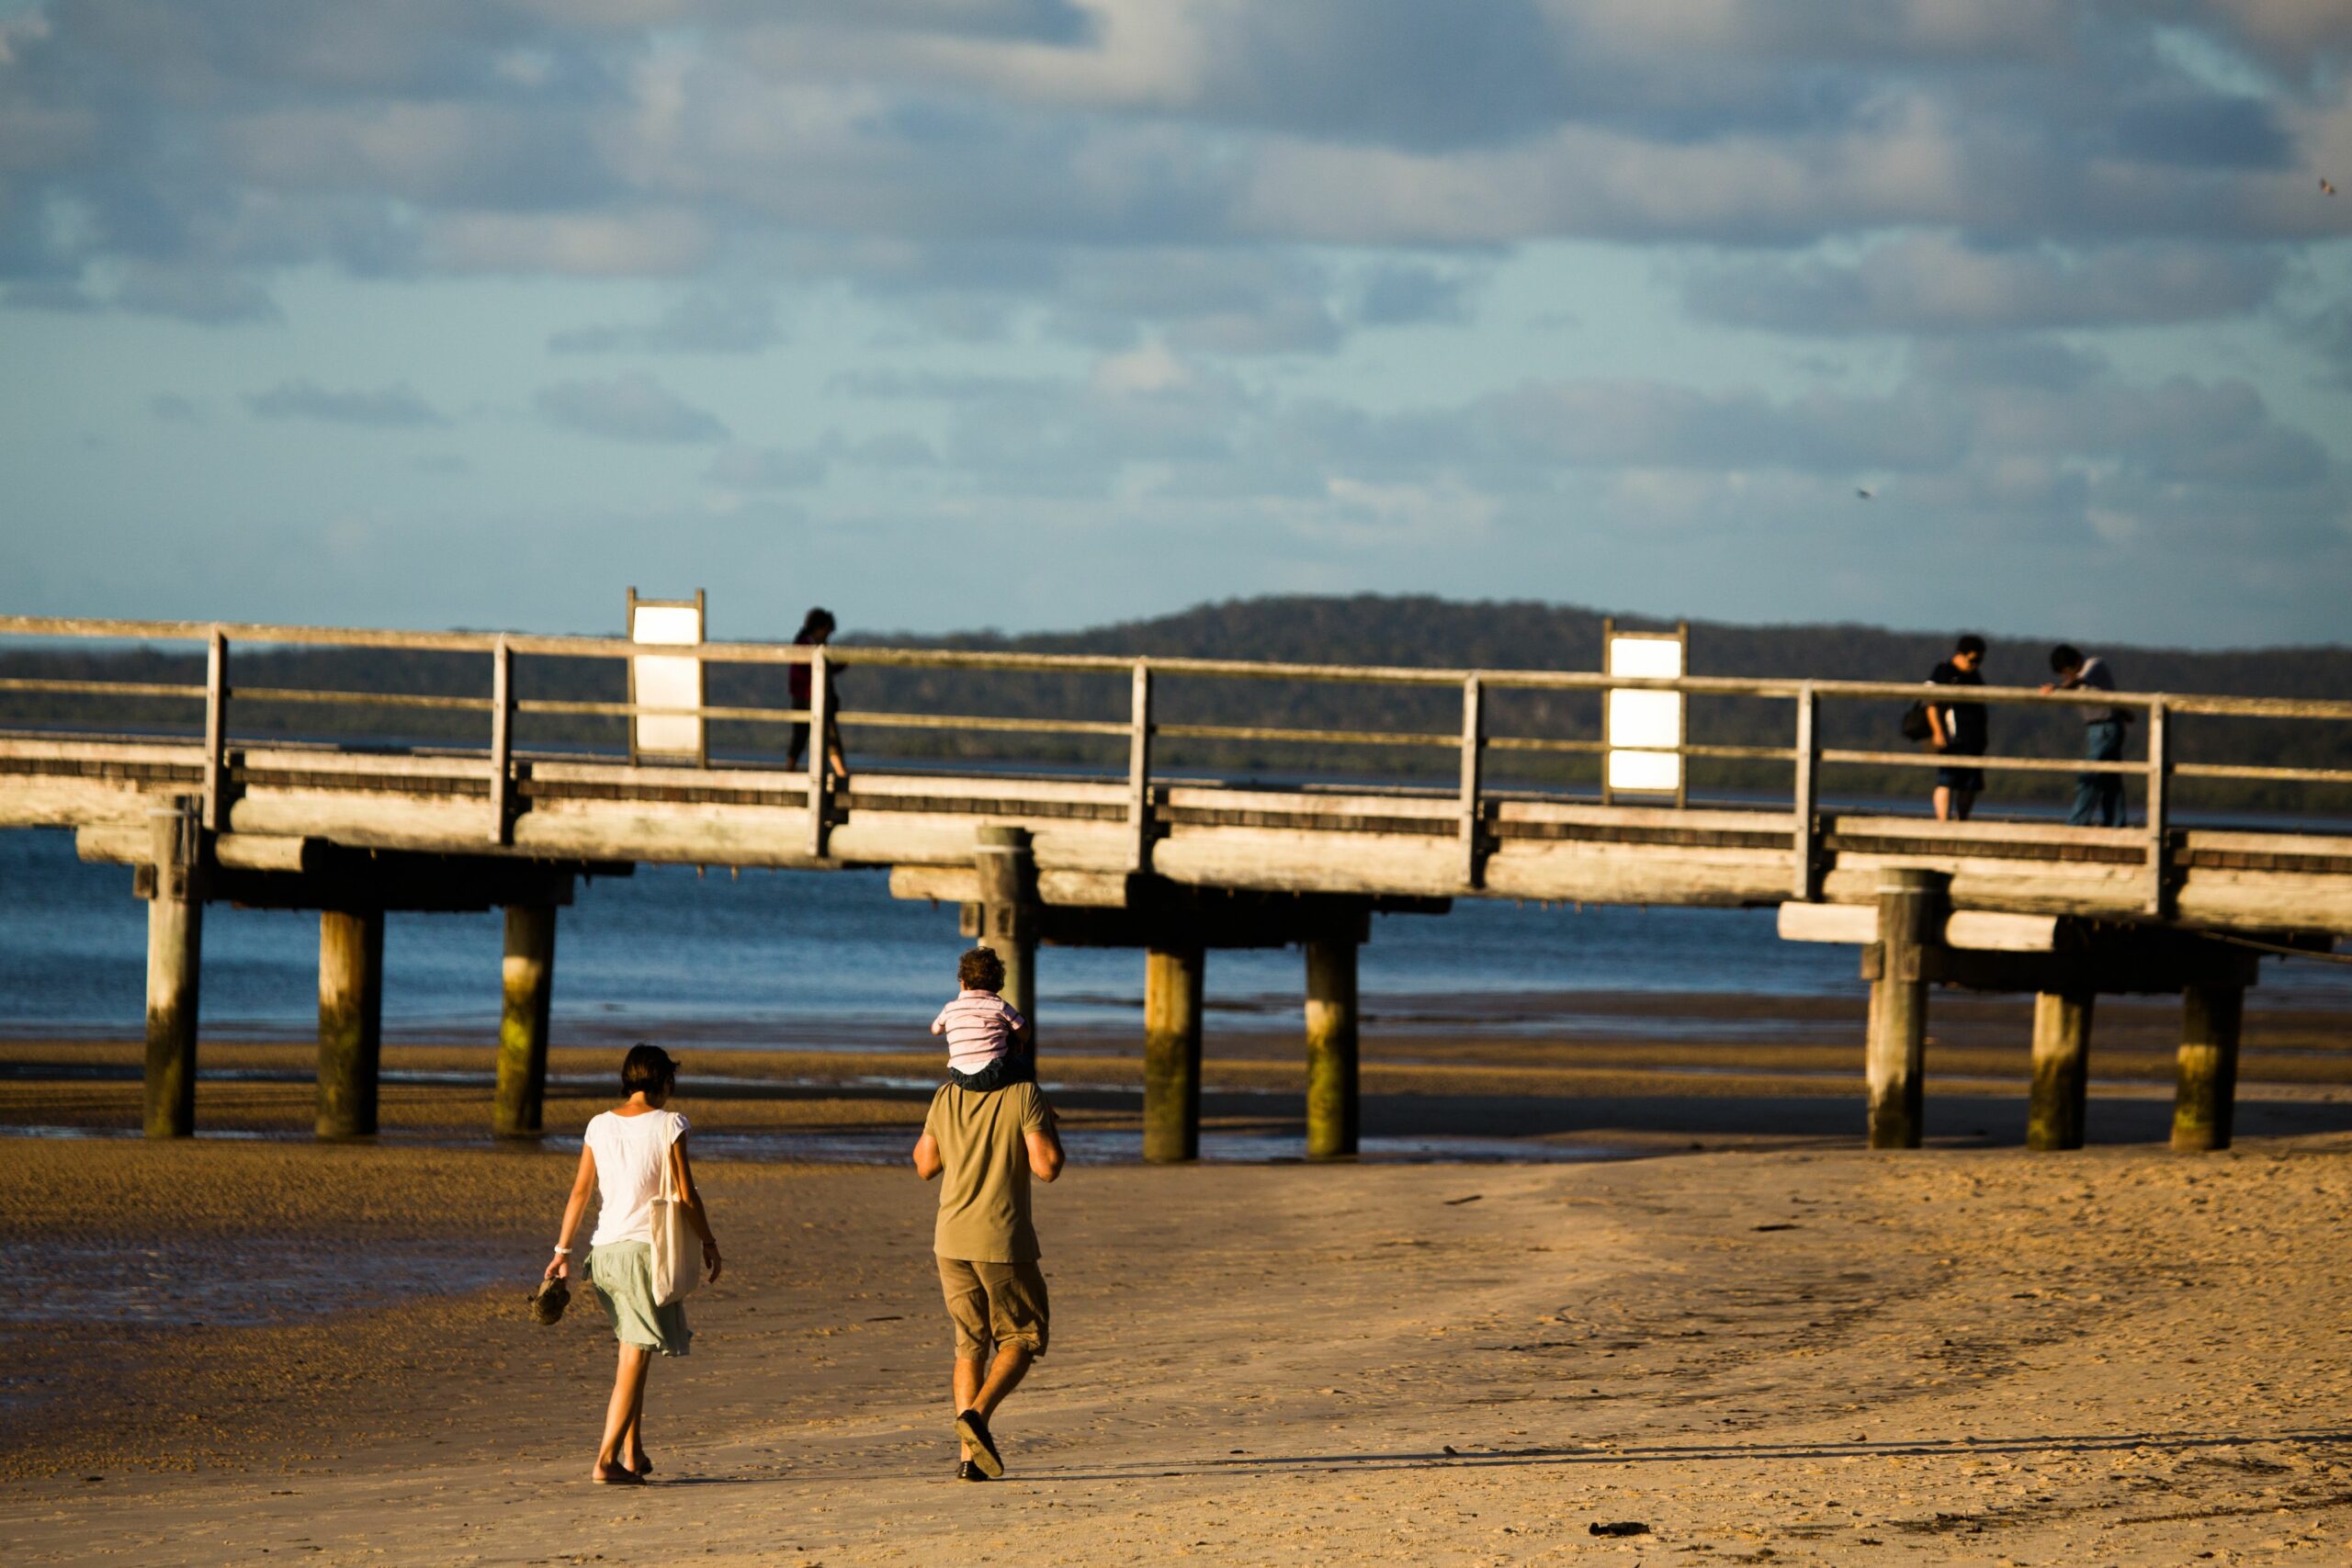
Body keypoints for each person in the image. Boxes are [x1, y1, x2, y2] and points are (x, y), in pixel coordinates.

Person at [546, 1043, 721, 1485]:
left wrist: (562, 1253)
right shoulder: (670, 1124)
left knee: (634, 1350)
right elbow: (685, 1193)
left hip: (603, 1256)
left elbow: (580, 1193)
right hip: (645, 1256)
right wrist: (709, 1241)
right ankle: (605, 1462)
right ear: (664, 1082)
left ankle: (633, 1452)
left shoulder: (598, 1125)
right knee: (633, 1359)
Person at [910, 1040, 1065, 1482]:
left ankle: (969, 1459)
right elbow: (1047, 1167)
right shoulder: (1024, 1094)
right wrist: (1050, 1127)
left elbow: (924, 1165)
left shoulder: (945, 1094)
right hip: (1002, 1238)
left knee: (969, 1345)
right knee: (1023, 1337)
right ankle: (977, 1415)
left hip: (950, 1239)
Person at [2042, 644, 2130, 828]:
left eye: (2068, 671)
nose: (2067, 676)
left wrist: (2058, 688)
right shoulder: (2074, 679)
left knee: (2089, 776)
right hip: (2096, 730)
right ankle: (2116, 823)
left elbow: (2080, 681)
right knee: (2110, 780)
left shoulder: (2095, 664)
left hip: (2106, 727)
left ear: (2076, 662)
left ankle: (2076, 824)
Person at [933, 946, 1033, 1092]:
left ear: (962, 983)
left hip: (958, 1075)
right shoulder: (1000, 1006)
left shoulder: (950, 1008)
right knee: (1026, 1066)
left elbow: (935, 1030)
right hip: (994, 1072)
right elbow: (1024, 1034)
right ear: (998, 986)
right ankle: (1034, 1101)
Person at [1924, 634, 1988, 821]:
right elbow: (1930, 702)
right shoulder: (1944, 671)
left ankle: (1962, 821)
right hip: (1952, 736)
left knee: (1970, 784)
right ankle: (1943, 822)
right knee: (1946, 779)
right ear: (1960, 654)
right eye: (1973, 659)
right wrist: (1937, 732)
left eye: (1980, 660)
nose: (1976, 664)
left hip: (1974, 738)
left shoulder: (1975, 675)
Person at [786, 606, 851, 784]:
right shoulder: (806, 645)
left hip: (807, 697)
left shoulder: (805, 643)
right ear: (820, 628)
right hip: (807, 698)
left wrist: (837, 666)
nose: (827, 636)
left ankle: (789, 772)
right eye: (827, 632)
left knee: (807, 737)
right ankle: (841, 774)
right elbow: (805, 672)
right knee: (822, 736)